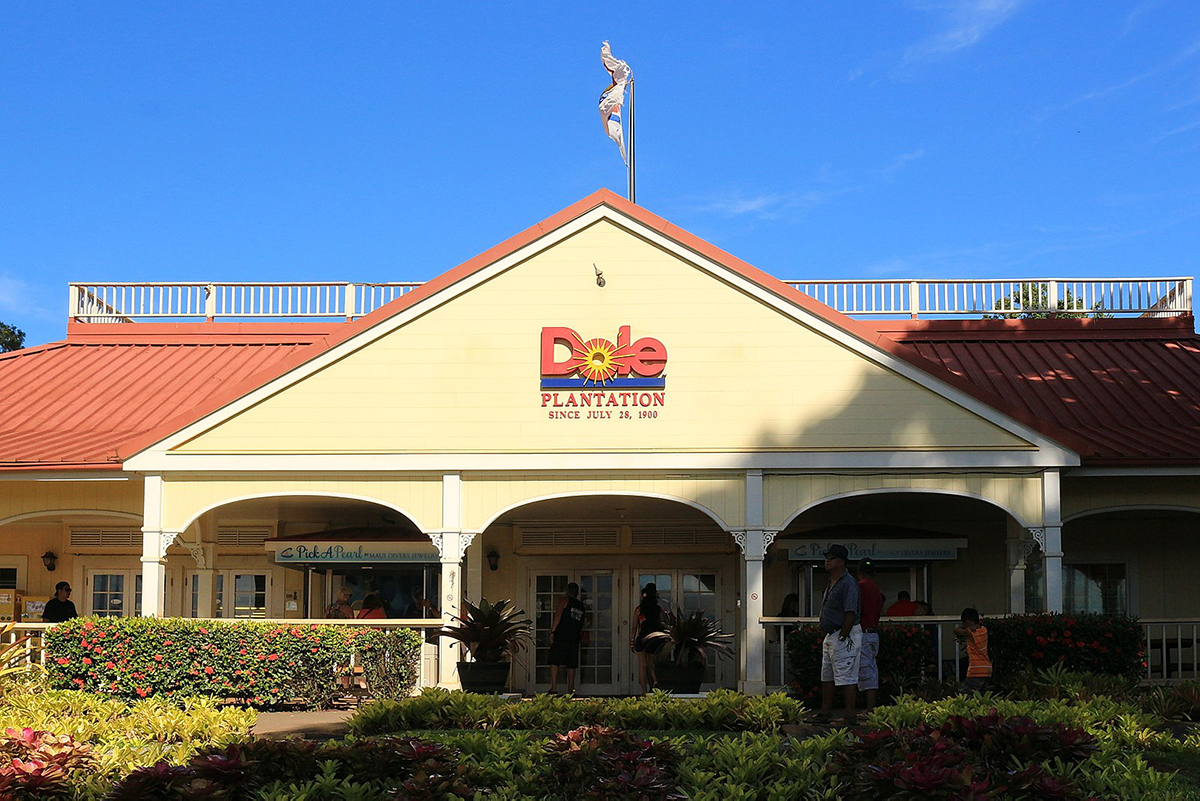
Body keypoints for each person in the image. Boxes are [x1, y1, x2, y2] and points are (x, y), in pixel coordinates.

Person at [817, 544, 861, 723]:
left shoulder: (848, 582)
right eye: (826, 556)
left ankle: (850, 716)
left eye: (832, 557)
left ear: (842, 561)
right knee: (827, 675)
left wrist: (843, 635)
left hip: (843, 634)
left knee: (846, 676)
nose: (827, 560)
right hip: (831, 635)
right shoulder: (832, 582)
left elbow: (850, 612)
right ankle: (825, 713)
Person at [547, 582, 588, 694]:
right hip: (574, 637)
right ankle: (570, 689)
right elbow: (583, 622)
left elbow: (558, 616)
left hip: (561, 635)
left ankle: (554, 687)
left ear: (567, 591)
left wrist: (552, 631)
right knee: (571, 664)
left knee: (555, 661)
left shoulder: (564, 601)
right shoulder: (581, 606)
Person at [856, 559, 884, 713]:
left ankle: (870, 709)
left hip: (863, 633)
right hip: (873, 632)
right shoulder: (876, 589)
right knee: (871, 669)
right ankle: (870, 707)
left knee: (866, 672)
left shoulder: (860, 587)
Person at [630, 582, 666, 695]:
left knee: (642, 666)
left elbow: (634, 627)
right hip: (655, 638)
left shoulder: (639, 609)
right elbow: (663, 623)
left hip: (642, 638)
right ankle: (654, 681)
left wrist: (631, 641)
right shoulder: (658, 609)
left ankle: (644, 692)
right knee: (651, 664)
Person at [954, 607, 992, 693]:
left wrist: (967, 628)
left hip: (976, 669)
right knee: (981, 696)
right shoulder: (984, 630)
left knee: (966, 695)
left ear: (968, 622)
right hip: (987, 669)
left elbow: (956, 630)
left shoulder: (970, 633)